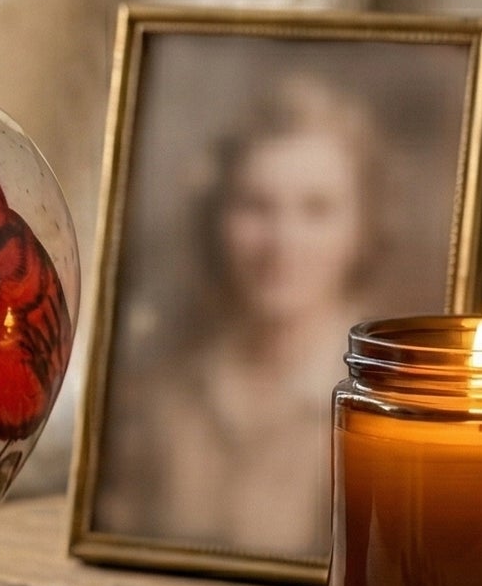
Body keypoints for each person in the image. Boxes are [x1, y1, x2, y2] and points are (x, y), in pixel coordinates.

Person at [96, 74, 385, 559]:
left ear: (362, 227)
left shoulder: (384, 405)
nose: (282, 243)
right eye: (256, 205)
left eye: (316, 209)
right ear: (218, 218)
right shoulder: (158, 392)